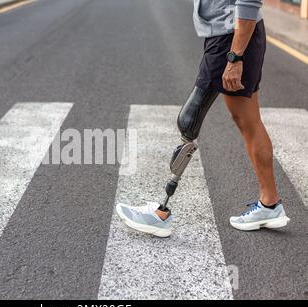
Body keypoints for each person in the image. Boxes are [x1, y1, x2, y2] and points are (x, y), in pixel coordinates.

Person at [116, 0, 290, 237]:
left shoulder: (233, 46)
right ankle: (270, 204)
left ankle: (161, 211)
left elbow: (248, 1)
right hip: (231, 36)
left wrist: (235, 57)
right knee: (247, 120)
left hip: (232, 39)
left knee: (190, 119)